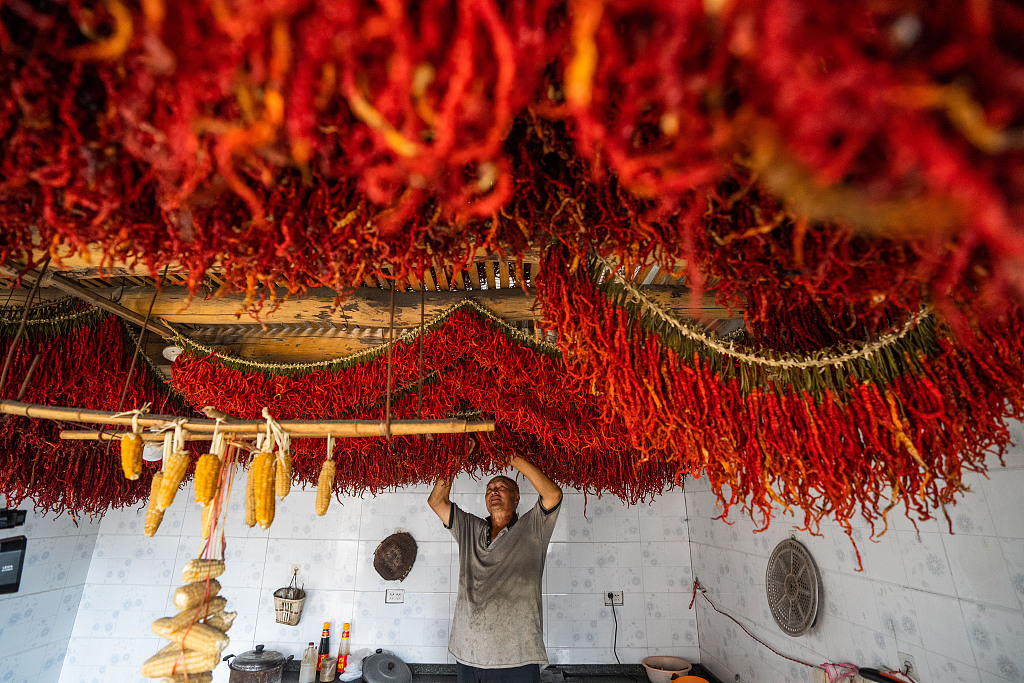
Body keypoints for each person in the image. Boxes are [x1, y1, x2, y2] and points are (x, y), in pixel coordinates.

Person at [428, 456, 563, 683]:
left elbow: (553, 495)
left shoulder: (533, 527)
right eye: (489, 488)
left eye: (502, 487)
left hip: (517, 656)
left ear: (517, 497)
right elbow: (436, 502)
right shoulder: (470, 527)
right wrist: (454, 460)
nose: (494, 491)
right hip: (468, 651)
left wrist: (513, 458)